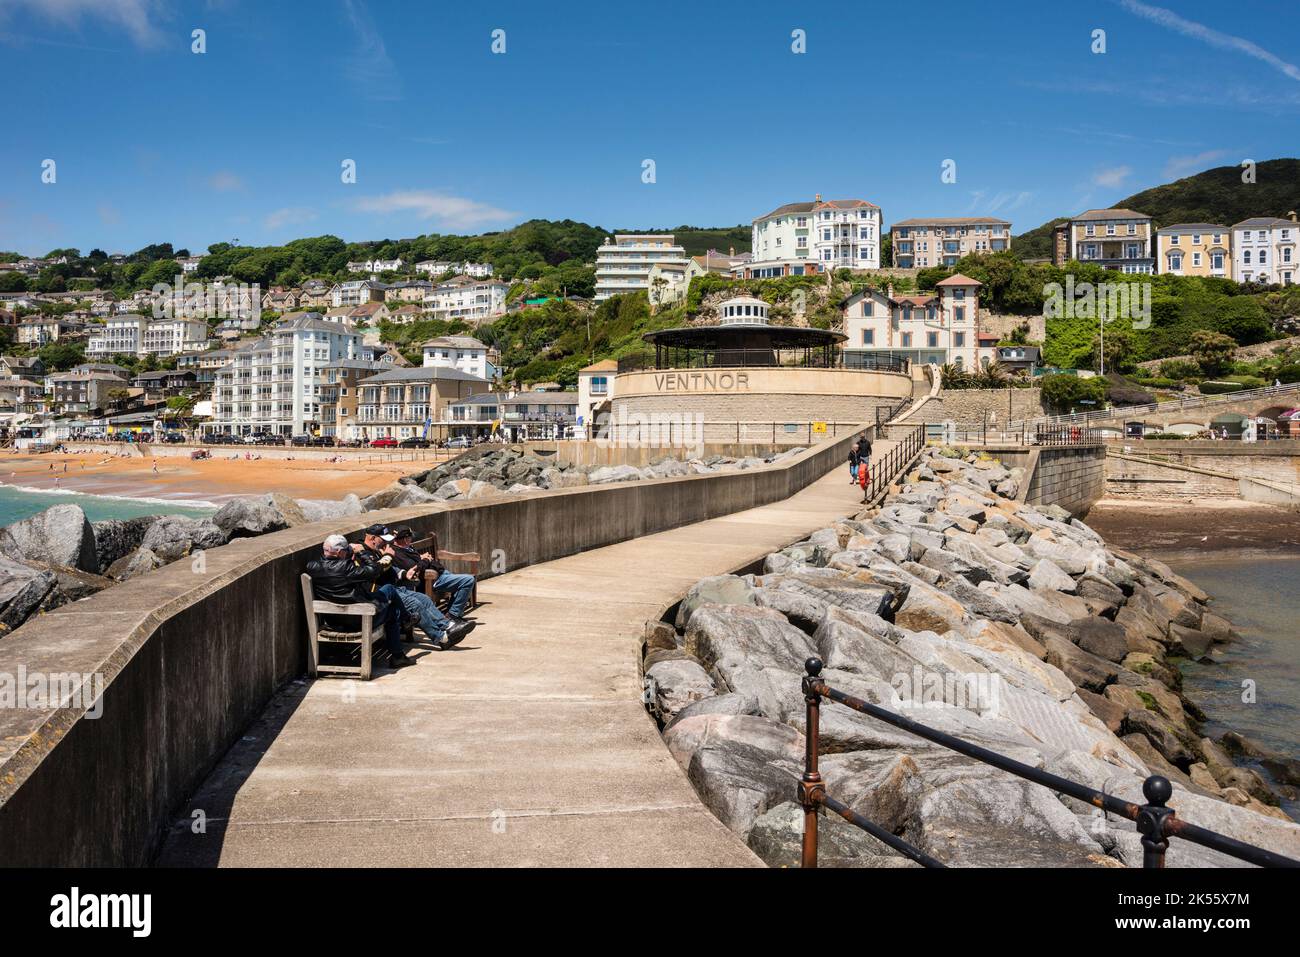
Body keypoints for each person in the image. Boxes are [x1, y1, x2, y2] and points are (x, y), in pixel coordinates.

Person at [305, 532, 414, 668]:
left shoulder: (312, 567)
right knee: (392, 610)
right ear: (339, 552)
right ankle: (399, 653)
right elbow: (374, 570)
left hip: (333, 620)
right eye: (345, 551)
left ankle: (406, 619)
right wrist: (362, 552)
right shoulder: (347, 568)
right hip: (357, 620)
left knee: (388, 589)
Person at [382, 524, 476, 648]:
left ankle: (449, 625)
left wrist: (422, 560)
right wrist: (425, 560)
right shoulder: (394, 553)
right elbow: (413, 569)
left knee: (424, 599)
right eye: (385, 541)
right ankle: (443, 635)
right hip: (430, 579)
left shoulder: (406, 549)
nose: (390, 544)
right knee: (468, 580)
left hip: (424, 578)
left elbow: (405, 570)